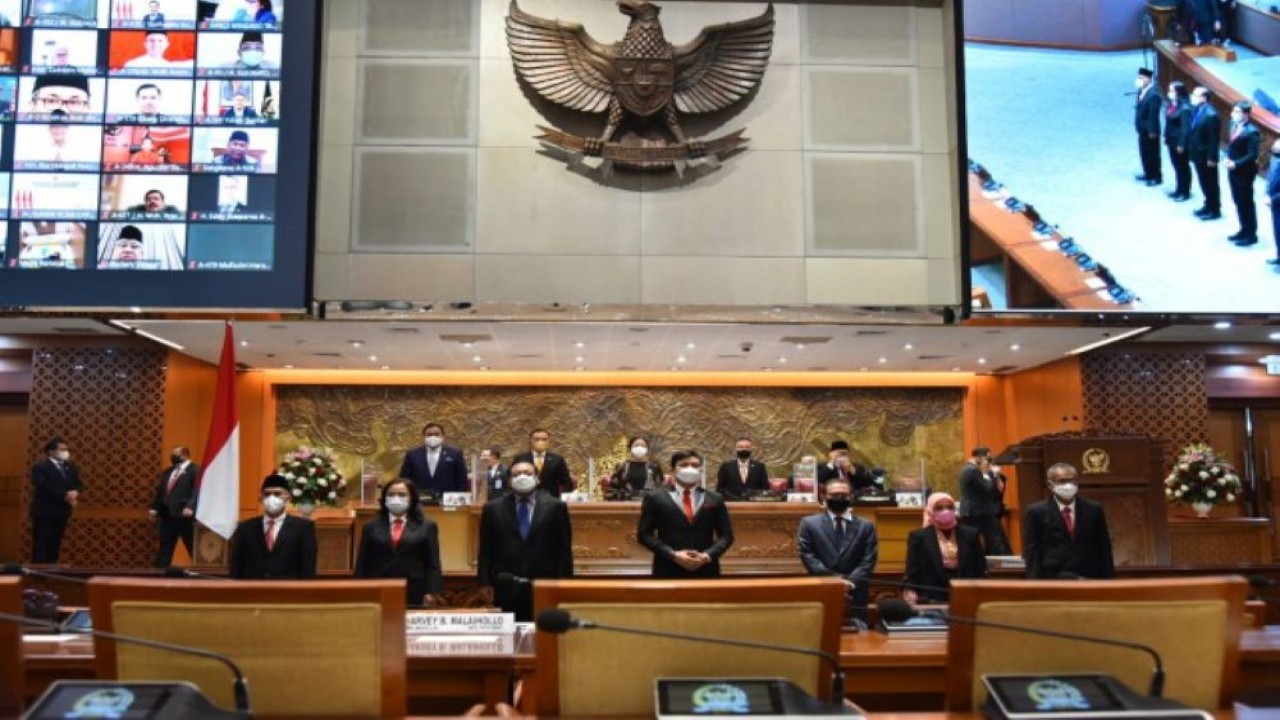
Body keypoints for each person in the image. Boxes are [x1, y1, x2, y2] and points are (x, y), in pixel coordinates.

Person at [477, 460, 574, 621]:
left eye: (528, 474)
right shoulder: (492, 508)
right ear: (509, 481)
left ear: (537, 479)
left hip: (544, 582)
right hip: (506, 583)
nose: (522, 477)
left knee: (544, 637)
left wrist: (565, 584)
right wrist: (484, 582)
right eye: (516, 474)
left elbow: (564, 550)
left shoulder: (556, 507)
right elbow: (485, 549)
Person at [637, 450, 733, 578]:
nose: (690, 468)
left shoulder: (715, 498)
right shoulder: (655, 497)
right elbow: (644, 534)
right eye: (684, 465)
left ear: (701, 470)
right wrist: (672, 555)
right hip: (667, 569)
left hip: (706, 570)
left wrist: (706, 556)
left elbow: (726, 535)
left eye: (695, 465)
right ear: (672, 470)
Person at [796, 478, 878, 623]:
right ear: (824, 497)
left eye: (843, 495)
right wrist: (837, 581)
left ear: (851, 497)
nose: (839, 498)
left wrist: (850, 582)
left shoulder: (866, 526)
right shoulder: (809, 523)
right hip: (823, 588)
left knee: (860, 639)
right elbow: (808, 556)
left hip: (856, 592)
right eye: (834, 495)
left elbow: (868, 559)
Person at [354, 479, 443, 607]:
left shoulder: (427, 526)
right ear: (384, 498)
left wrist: (432, 592)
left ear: (412, 498)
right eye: (391, 495)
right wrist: (359, 590)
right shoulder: (370, 526)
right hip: (378, 588)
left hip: (414, 590)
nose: (396, 498)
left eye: (402, 495)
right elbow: (362, 563)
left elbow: (433, 563)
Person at [1021, 463, 1115, 580]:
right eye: (1062, 481)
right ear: (1050, 484)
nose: (1068, 485)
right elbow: (1032, 551)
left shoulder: (1093, 509)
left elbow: (1104, 547)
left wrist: (1108, 581)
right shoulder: (1036, 512)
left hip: (1089, 576)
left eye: (1072, 480)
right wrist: (1034, 584)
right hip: (1053, 578)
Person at [903, 492, 987, 603]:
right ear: (930, 510)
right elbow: (913, 569)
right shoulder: (919, 537)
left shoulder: (971, 534)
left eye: (949, 507)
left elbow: (980, 567)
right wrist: (911, 590)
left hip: (966, 592)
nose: (945, 511)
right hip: (932, 596)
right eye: (939, 508)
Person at [228, 474, 317, 579]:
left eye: (277, 493)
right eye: (267, 494)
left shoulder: (303, 527)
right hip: (252, 591)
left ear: (288, 498)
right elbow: (236, 566)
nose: (272, 497)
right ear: (260, 498)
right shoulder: (244, 528)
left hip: (288, 591)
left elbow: (307, 566)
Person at [30, 437, 85, 564]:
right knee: (41, 543)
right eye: (62, 449)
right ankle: (39, 574)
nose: (66, 452)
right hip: (45, 512)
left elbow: (79, 484)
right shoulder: (41, 467)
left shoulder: (70, 467)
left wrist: (76, 492)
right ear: (51, 451)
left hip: (62, 511)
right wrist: (65, 495)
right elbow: (43, 485)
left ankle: (52, 569)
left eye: (66, 449)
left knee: (55, 542)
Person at [148, 445, 198, 568]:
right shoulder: (168, 471)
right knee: (165, 547)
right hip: (167, 515)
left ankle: (204, 577)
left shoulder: (195, 470)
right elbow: (161, 491)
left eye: (176, 454)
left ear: (185, 455)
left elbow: (198, 490)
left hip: (185, 516)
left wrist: (190, 506)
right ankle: (159, 577)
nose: (173, 457)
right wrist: (155, 509)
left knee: (192, 547)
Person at [957, 446, 1011, 555]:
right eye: (988, 459)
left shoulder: (966, 468)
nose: (989, 462)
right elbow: (988, 488)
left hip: (972, 511)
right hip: (980, 511)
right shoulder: (973, 470)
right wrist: (991, 474)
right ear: (980, 458)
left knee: (974, 540)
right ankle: (1002, 569)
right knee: (995, 540)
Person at [398, 422, 469, 499]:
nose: (433, 437)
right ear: (424, 437)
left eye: (436, 434)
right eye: (429, 435)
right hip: (420, 500)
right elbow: (405, 479)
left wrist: (459, 500)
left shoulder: (455, 454)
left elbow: (461, 479)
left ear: (443, 436)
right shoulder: (412, 455)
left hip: (447, 500)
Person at [1224, 101, 1260, 247]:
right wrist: (1227, 157)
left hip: (1244, 173)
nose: (1234, 114)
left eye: (1238, 112)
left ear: (1246, 114)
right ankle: (1243, 229)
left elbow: (1252, 154)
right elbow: (1232, 146)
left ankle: (1251, 234)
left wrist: (1236, 163)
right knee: (1238, 201)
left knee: (1246, 203)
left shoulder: (1252, 131)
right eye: (1234, 111)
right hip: (1232, 170)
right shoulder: (1233, 124)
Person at [1188, 86, 1222, 221]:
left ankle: (1214, 209)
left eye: (1195, 95)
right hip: (1197, 154)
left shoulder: (1211, 115)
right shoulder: (1198, 109)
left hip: (1207, 156)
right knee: (1203, 182)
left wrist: (1212, 158)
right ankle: (1207, 205)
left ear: (1204, 98)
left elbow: (1214, 139)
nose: (1192, 97)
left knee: (1211, 183)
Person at [512, 428, 574, 497]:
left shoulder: (557, 460)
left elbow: (567, 484)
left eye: (544, 439)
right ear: (530, 441)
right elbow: (511, 480)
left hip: (550, 500)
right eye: (537, 439)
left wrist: (557, 498)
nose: (540, 442)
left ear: (548, 441)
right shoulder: (520, 458)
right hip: (526, 498)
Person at [1164, 81, 1193, 202]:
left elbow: (1185, 129)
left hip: (1179, 143)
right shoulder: (1172, 104)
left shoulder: (1185, 108)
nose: (1169, 93)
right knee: (1176, 166)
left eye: (1171, 91)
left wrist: (1181, 144)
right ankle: (1179, 189)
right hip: (1171, 140)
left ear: (1179, 92)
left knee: (1182, 167)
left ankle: (1185, 191)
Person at [1133, 68, 1162, 186]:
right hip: (1142, 129)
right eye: (1138, 77)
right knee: (1144, 152)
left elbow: (1153, 115)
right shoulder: (1142, 90)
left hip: (1150, 131)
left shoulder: (1154, 95)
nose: (1139, 80)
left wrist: (1152, 131)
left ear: (1149, 79)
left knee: (1153, 154)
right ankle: (1148, 173)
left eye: (1142, 78)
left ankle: (1156, 176)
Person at [122, 30, 191, 70]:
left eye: (160, 41)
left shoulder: (168, 66)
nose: (156, 44)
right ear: (145, 44)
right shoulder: (133, 64)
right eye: (151, 40)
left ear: (166, 44)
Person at [1265, 138, 1280, 267]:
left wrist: (1272, 198)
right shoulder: (1275, 159)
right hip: (1275, 203)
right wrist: (1266, 194)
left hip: (1277, 199)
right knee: (1277, 231)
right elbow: (1270, 179)